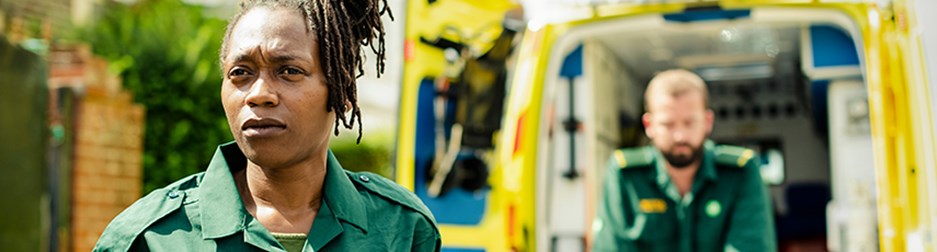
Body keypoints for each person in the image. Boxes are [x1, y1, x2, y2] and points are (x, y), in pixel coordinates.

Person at [94, 0, 441, 251]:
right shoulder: (148, 238)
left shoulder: (402, 229)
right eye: (240, 73)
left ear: (342, 92)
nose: (259, 94)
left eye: (289, 71)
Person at [592, 69, 776, 252]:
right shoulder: (625, 175)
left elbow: (751, 246)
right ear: (649, 125)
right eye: (668, 124)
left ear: (707, 121)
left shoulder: (741, 172)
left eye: (689, 123)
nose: (680, 136)